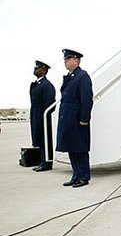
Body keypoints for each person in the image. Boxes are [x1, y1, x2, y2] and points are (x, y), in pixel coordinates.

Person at [56, 49, 93, 188]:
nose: (65, 61)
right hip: (69, 120)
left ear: (76, 60)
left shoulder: (82, 76)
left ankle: (84, 176)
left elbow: (86, 99)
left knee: (80, 149)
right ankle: (76, 175)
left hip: (78, 120)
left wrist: (84, 118)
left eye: (67, 59)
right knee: (72, 148)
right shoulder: (71, 76)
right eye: (65, 59)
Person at [30, 60, 56, 171]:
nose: (35, 69)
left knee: (44, 140)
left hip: (43, 118)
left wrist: (45, 117)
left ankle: (47, 163)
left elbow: (50, 104)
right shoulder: (37, 84)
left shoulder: (46, 85)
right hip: (36, 115)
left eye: (38, 67)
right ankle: (42, 161)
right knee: (39, 140)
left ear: (44, 70)